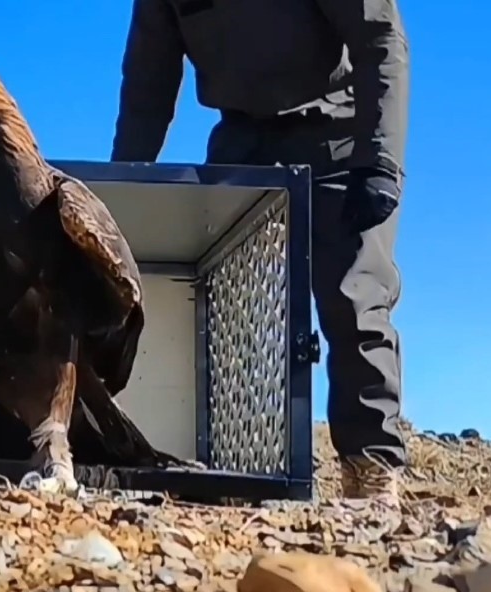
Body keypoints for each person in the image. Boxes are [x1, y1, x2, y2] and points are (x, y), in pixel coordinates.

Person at [111, 0, 410, 503]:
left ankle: (371, 469)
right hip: (243, 142)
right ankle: (237, 471)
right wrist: (121, 189)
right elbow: (148, 81)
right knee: (227, 305)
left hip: (337, 136)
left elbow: (381, 41)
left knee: (354, 298)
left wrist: (380, 161)